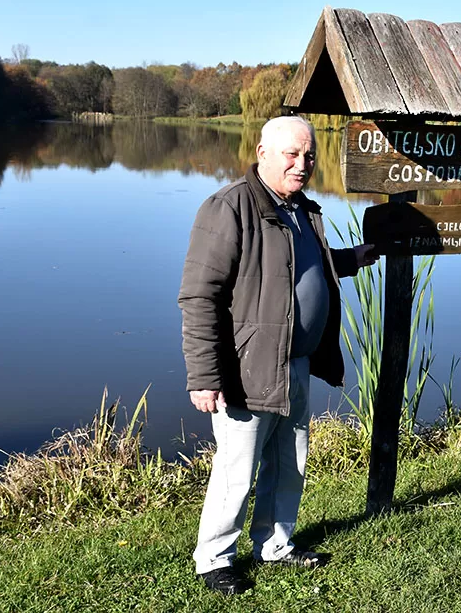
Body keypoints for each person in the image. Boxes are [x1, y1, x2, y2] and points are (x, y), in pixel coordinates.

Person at [178, 115, 376, 595]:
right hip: (247, 368)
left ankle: (274, 545)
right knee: (237, 469)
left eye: (309, 155)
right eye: (291, 153)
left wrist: (358, 256)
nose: (302, 163)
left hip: (297, 364)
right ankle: (214, 559)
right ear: (262, 151)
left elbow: (304, 267)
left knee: (290, 462)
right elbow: (200, 296)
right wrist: (204, 375)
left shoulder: (301, 209)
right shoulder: (229, 207)